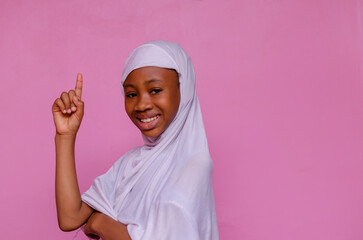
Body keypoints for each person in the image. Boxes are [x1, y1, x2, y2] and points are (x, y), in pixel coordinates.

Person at [52, 40, 219, 240]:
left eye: (155, 90)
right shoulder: (131, 163)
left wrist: (101, 223)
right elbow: (71, 218)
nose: (141, 104)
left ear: (185, 89)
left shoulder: (194, 165)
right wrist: (65, 137)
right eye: (131, 94)